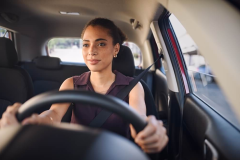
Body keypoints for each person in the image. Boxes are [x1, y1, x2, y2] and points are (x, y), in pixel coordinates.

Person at [0, 18, 168, 153]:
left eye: (101, 44)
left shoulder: (133, 86)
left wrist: (150, 131)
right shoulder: (71, 83)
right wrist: (37, 120)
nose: (91, 51)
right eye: (86, 44)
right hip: (75, 152)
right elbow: (54, 113)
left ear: (116, 48)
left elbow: (139, 122)